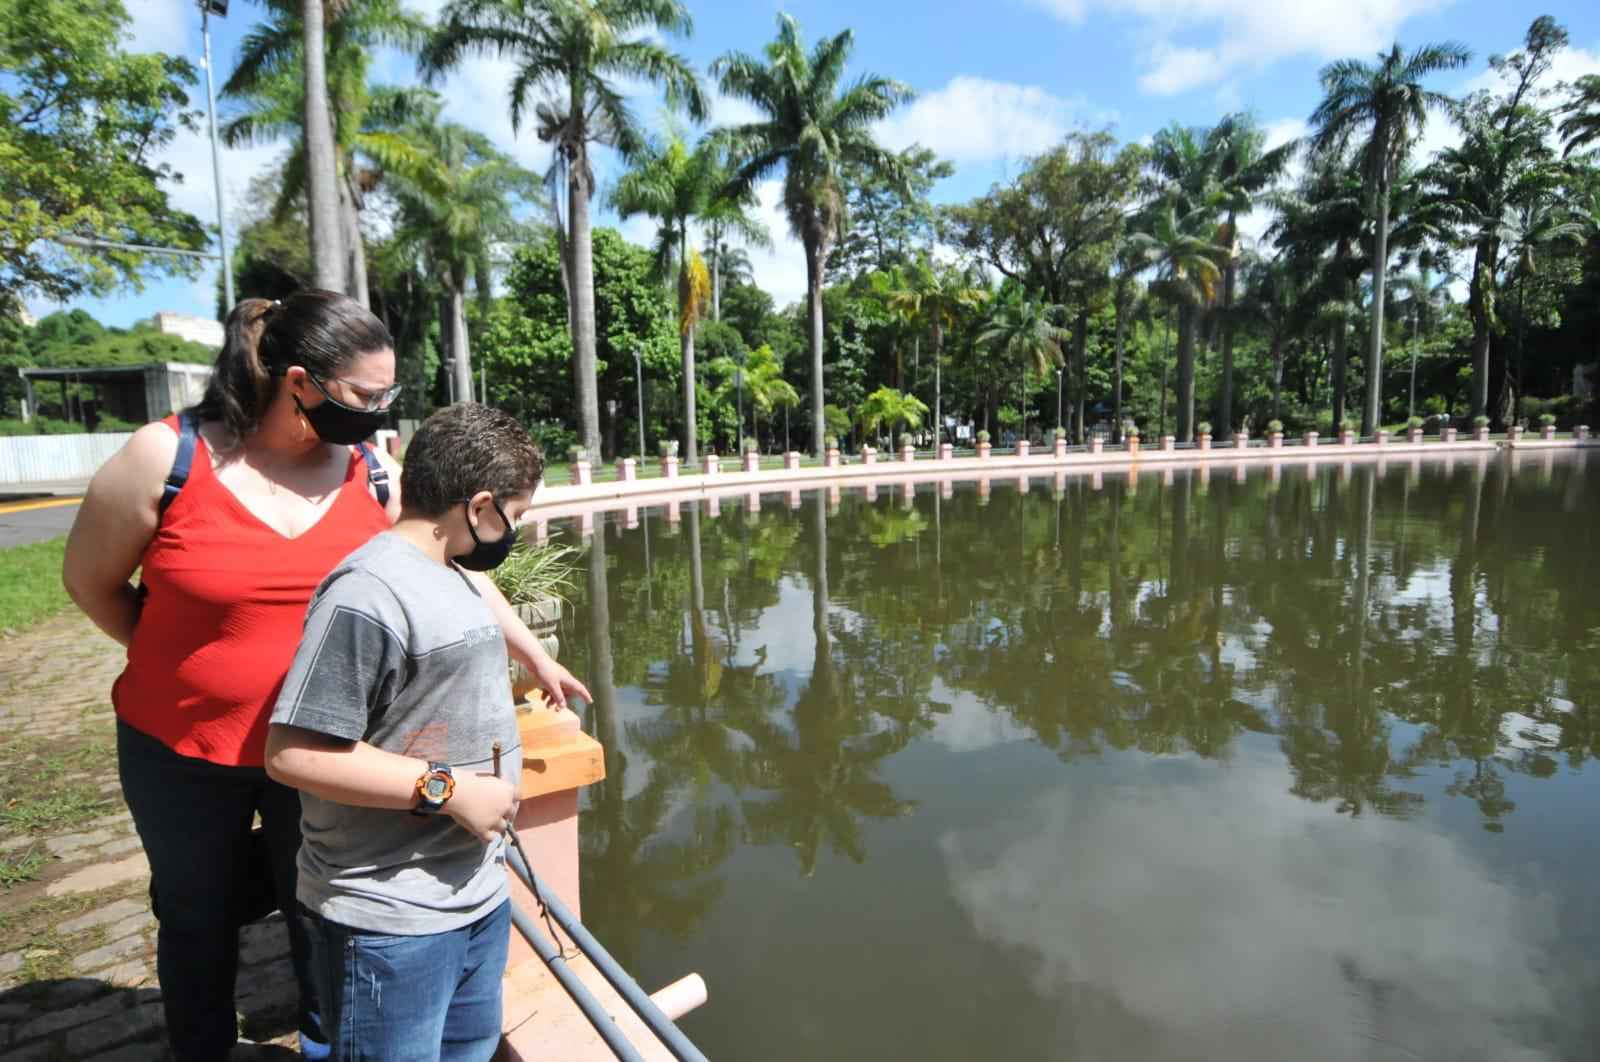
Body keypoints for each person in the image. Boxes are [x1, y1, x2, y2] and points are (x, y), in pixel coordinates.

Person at [61, 291, 588, 1061]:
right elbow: (90, 583)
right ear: (300, 381)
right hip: (182, 745)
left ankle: (329, 1045)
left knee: (313, 918)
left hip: (321, 749)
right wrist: (185, 666)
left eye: (389, 395)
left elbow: (449, 552)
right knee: (196, 916)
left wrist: (531, 651)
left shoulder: (368, 470)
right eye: (367, 396)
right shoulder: (165, 457)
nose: (381, 412)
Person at [265, 402, 540, 1061]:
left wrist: (539, 661)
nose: (517, 534)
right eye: (517, 516)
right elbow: (293, 752)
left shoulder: (453, 571)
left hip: (474, 893)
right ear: (479, 508)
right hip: (389, 921)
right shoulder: (368, 594)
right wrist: (450, 790)